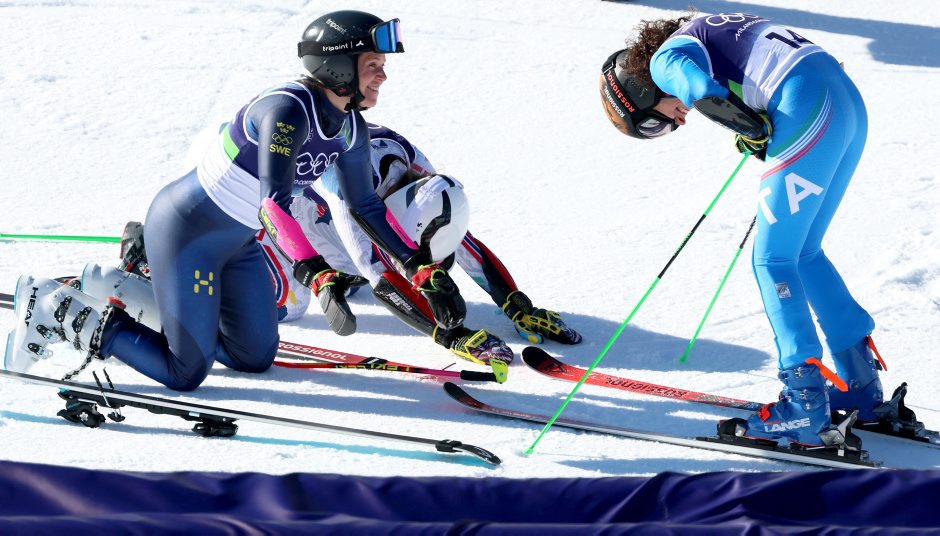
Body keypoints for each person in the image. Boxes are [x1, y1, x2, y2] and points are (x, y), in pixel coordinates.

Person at [4, 10, 467, 391]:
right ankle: (54, 307)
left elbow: (365, 207)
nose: (383, 74)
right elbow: (273, 205)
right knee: (185, 372)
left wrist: (420, 269)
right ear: (339, 65)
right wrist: (316, 273)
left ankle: (126, 292)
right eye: (373, 63)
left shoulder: (349, 127)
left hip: (238, 243)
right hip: (187, 234)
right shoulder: (287, 110)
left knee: (254, 356)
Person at [599, 11, 925, 451]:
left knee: (772, 259)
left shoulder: (664, 60)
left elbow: (703, 91)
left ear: (638, 89)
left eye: (653, 124)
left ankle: (804, 406)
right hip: (844, 103)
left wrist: (747, 125)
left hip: (810, 106)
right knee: (804, 252)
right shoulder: (710, 28)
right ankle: (860, 387)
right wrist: (756, 124)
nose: (675, 124)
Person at [258, 123, 582, 366]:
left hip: (320, 202)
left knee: (354, 281)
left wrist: (516, 304)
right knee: (291, 306)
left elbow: (460, 238)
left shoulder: (418, 176)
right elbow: (375, 271)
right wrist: (450, 336)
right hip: (272, 206)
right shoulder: (350, 191)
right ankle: (247, 258)